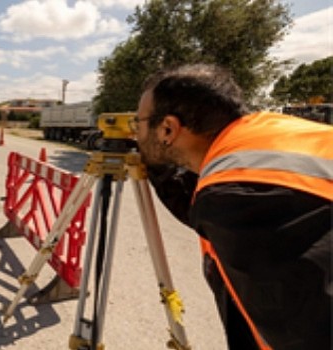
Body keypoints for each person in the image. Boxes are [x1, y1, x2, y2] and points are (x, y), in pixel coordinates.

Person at [133, 64, 332, 349]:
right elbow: (195, 207)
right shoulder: (268, 137)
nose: (135, 134)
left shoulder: (235, 194)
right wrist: (157, 166)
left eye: (137, 124)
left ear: (167, 128)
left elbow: (305, 333)